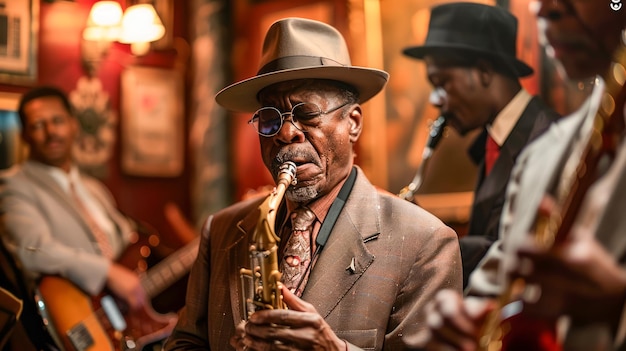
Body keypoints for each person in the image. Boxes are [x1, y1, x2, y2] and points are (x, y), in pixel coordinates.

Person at [163, 17, 462, 351]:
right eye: (270, 118)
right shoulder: (220, 229)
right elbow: (185, 343)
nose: (286, 133)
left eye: (306, 114)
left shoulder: (427, 243)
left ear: (353, 123)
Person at [423, 0, 626, 350]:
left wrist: (618, 306)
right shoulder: (539, 158)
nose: (542, 9)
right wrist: (462, 323)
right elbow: (494, 289)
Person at [402, 2, 560, 288]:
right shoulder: (494, 141)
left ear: (485, 71)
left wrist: (424, 241)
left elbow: (517, 253)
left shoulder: (550, 139)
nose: (435, 100)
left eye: (443, 82)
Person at [0, 86, 147, 345]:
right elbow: (33, 249)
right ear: (25, 135)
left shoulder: (94, 188)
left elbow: (129, 241)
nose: (51, 132)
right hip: (73, 321)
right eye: (38, 125)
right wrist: (107, 273)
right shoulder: (13, 185)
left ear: (73, 124)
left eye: (57, 121)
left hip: (124, 318)